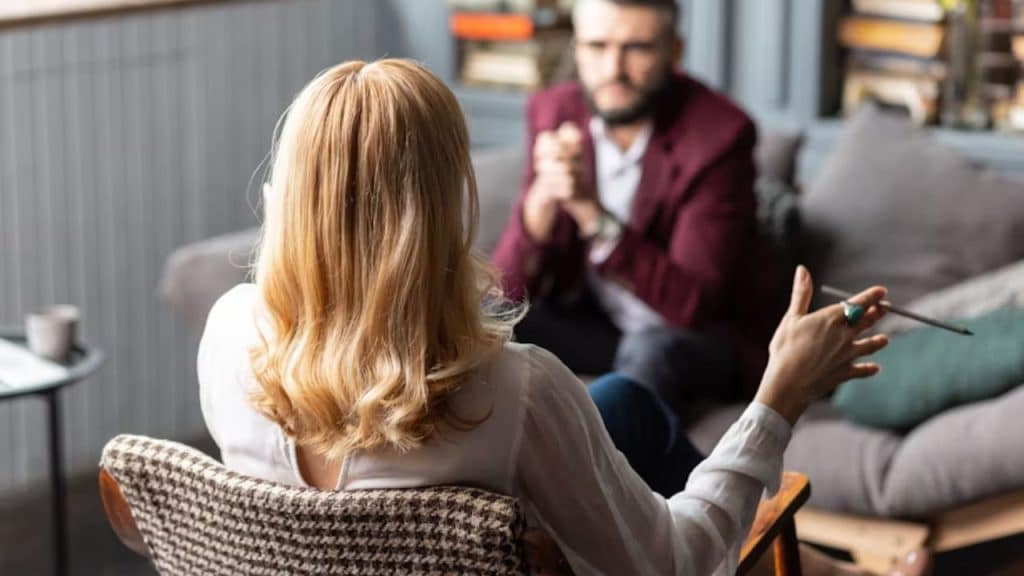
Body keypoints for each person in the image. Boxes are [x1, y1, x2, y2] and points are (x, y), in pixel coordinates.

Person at [198, 59, 925, 575]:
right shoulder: (516, 395)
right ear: (445, 207)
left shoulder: (229, 333)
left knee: (623, 402)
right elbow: (675, 564)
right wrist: (778, 399)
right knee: (618, 418)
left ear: (290, 193)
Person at [492, 0, 777, 422]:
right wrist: (541, 202)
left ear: (673, 52)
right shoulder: (554, 110)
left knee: (649, 350)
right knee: (485, 320)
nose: (613, 69)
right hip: (599, 327)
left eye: (637, 48)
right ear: (577, 47)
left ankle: (603, 486)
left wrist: (590, 212)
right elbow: (506, 290)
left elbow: (691, 304)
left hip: (695, 339)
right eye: (596, 46)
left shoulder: (720, 134)